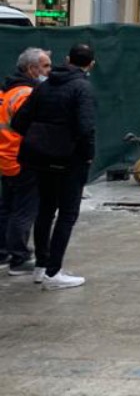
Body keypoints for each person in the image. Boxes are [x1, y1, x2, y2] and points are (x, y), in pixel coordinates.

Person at [10, 43, 97, 290]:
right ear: (91, 64)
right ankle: (53, 272)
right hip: (69, 161)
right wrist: (87, 156)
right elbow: (86, 128)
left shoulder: (44, 86)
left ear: (67, 59)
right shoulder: (83, 88)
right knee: (67, 214)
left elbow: (19, 121)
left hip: (39, 158)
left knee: (46, 210)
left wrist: (41, 138)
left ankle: (41, 266)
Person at [0, 47, 51, 277]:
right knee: (24, 211)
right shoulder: (26, 95)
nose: (49, 71)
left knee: (7, 208)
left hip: (6, 158)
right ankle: (19, 258)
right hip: (22, 159)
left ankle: (3, 252)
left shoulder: (7, 92)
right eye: (46, 66)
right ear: (32, 69)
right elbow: (32, 130)